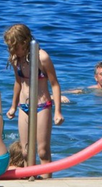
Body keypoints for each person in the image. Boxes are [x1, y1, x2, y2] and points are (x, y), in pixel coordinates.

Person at [4, 24, 64, 175]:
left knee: (42, 151)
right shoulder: (15, 59)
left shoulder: (41, 57)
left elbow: (55, 84)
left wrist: (57, 111)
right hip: (23, 106)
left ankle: (46, 182)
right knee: (25, 151)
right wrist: (12, 106)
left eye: (14, 46)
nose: (12, 50)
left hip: (42, 105)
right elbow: (18, 82)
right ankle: (29, 180)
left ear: (24, 42)